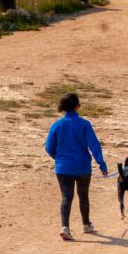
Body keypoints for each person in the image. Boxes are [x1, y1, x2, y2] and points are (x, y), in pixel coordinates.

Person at [44, 92, 107, 241]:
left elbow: (48, 147)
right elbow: (94, 145)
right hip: (82, 167)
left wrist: (58, 159)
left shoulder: (56, 125)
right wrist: (101, 163)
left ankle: (65, 227)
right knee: (83, 195)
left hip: (63, 167)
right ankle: (86, 224)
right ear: (77, 106)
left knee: (66, 197)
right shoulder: (84, 124)